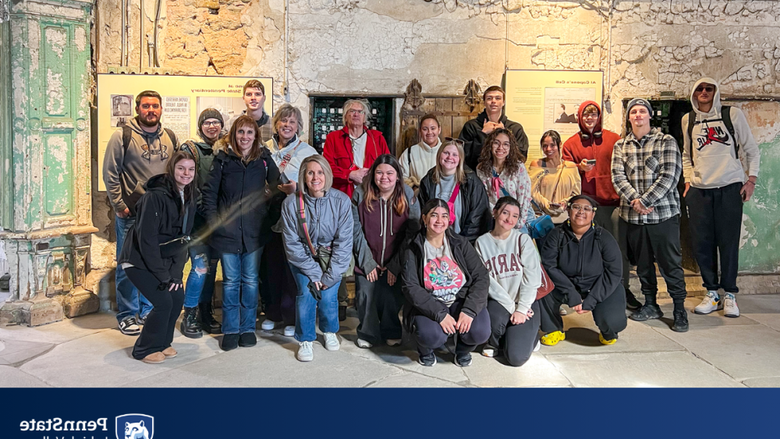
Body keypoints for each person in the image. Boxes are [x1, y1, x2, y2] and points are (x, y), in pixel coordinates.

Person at [682, 77, 761, 318]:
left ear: (715, 92)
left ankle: (730, 294)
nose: (704, 92)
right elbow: (686, 154)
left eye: (709, 88)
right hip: (700, 190)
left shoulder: (732, 115)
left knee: (728, 243)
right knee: (702, 244)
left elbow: (751, 149)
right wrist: (688, 181)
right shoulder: (688, 120)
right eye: (699, 89)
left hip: (729, 187)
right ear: (693, 94)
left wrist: (751, 180)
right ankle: (711, 292)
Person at [201, 115, 280, 351]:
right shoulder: (223, 159)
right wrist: (215, 223)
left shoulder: (264, 159)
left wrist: (269, 219)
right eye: (240, 132)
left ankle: (247, 328)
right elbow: (209, 194)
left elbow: (278, 188)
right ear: (233, 134)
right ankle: (231, 329)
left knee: (250, 282)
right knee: (231, 282)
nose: (244, 137)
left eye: (249, 133)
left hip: (254, 233)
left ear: (256, 136)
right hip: (228, 234)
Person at [103, 90, 178, 336]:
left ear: (161, 109)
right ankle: (126, 314)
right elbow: (110, 172)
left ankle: (148, 308)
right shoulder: (122, 136)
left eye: (155, 106)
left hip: (159, 216)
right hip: (131, 212)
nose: (151, 110)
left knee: (154, 263)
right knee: (128, 264)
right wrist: (118, 205)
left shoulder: (169, 137)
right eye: (146, 106)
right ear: (137, 109)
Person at [612, 98, 688, 332]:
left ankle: (678, 309)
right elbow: (617, 177)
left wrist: (644, 201)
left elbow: (670, 175)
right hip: (633, 217)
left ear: (649, 115)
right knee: (643, 266)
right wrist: (636, 201)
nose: (638, 115)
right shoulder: (621, 146)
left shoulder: (666, 141)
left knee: (670, 264)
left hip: (662, 216)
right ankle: (651, 304)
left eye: (642, 111)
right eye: (633, 111)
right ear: (629, 117)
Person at [118, 151, 196, 363]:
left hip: (164, 260)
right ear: (172, 169)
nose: (186, 173)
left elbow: (183, 240)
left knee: (177, 296)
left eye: (191, 169)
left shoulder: (188, 197)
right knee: (163, 302)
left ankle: (162, 343)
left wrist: (176, 275)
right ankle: (143, 349)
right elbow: (147, 241)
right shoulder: (154, 197)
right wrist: (163, 276)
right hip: (138, 260)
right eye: (181, 168)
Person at [563, 101, 641, 310]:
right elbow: (567, 176)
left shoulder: (614, 140)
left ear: (599, 117)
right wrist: (578, 168)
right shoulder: (570, 144)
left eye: (594, 114)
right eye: (586, 115)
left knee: (617, 250)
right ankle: (588, 291)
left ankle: (622, 289)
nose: (590, 118)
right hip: (585, 206)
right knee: (586, 251)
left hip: (613, 204)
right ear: (580, 117)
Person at [401, 198, 491, 367]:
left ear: (449, 219)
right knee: (431, 335)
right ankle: (425, 350)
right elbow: (410, 286)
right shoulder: (412, 247)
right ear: (424, 218)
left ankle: (462, 351)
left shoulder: (460, 243)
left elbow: (481, 276)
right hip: (431, 301)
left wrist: (470, 310)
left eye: (444, 216)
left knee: (480, 332)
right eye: (434, 215)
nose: (439, 221)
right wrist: (439, 314)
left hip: (460, 298)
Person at [281, 155, 353, 362]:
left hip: (332, 257)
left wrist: (330, 275)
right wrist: (313, 273)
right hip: (303, 256)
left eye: (320, 172)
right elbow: (292, 243)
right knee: (306, 293)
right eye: (310, 172)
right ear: (303, 175)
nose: (315, 177)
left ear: (327, 175)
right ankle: (305, 338)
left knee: (329, 295)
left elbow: (344, 241)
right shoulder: (291, 203)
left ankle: (329, 330)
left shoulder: (341, 201)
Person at [538, 195, 628, 346]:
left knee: (613, 321)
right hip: (565, 284)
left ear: (593, 214)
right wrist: (570, 292)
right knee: (541, 287)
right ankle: (554, 329)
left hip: (597, 285)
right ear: (568, 209)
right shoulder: (556, 235)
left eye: (587, 209)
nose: (581, 212)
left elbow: (614, 272)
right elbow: (549, 266)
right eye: (576, 207)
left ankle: (609, 331)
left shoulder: (604, 237)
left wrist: (592, 299)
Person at [260, 104, 318, 336]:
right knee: (270, 267)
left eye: (292, 122)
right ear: (276, 124)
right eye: (283, 121)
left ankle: (292, 317)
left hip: (296, 216)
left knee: (291, 267)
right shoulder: (264, 149)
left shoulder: (307, 152)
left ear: (298, 126)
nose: (287, 125)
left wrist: (298, 189)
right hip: (269, 215)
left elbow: (319, 183)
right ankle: (272, 313)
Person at [352, 154, 420, 348]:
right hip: (368, 256)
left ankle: (391, 329)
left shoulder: (407, 195)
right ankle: (368, 332)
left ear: (397, 175)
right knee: (366, 294)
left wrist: (395, 265)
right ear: (373, 174)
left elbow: (412, 233)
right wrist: (367, 262)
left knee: (391, 296)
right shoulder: (360, 194)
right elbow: (355, 230)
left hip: (396, 259)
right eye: (379, 172)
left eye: (390, 173)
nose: (384, 177)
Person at [475, 196, 542, 367]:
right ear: (495, 212)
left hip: (525, 303)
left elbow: (532, 278)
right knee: (494, 320)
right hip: (501, 301)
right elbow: (488, 281)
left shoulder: (522, 240)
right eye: (505, 213)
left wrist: (522, 309)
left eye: (514, 215)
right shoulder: (481, 242)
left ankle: (530, 337)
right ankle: (496, 343)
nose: (509, 219)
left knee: (516, 358)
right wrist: (514, 309)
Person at [176, 108, 224, 338]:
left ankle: (206, 312)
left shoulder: (224, 150)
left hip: (216, 222)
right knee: (200, 267)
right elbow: (186, 182)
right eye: (208, 122)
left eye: (216, 122)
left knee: (211, 269)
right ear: (200, 126)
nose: (212, 126)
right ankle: (190, 314)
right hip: (196, 220)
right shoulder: (190, 150)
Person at [418, 139, 489, 242]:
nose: (449, 157)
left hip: (464, 241)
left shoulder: (471, 182)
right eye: (446, 153)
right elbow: (423, 213)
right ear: (439, 155)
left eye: (454, 155)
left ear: (460, 159)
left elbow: (477, 217)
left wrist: (462, 243)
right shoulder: (428, 181)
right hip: (434, 240)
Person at [323, 99, 390, 198]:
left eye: (360, 112)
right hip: (343, 195)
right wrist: (349, 174)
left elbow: (388, 165)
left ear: (365, 118)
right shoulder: (333, 138)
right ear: (345, 116)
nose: (356, 114)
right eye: (352, 111)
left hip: (372, 193)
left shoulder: (377, 138)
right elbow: (326, 168)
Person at [528, 130, 581, 248]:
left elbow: (576, 193)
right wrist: (547, 205)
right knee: (546, 256)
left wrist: (565, 202)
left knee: (564, 255)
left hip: (565, 219)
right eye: (545, 146)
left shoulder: (570, 167)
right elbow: (532, 191)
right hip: (543, 220)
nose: (548, 149)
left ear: (559, 145)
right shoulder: (537, 165)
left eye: (552, 145)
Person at [458, 85, 529, 171]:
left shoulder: (515, 128)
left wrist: (506, 134)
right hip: (477, 176)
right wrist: (482, 134)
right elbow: (464, 157)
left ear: (503, 102)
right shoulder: (471, 126)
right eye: (489, 98)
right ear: (484, 102)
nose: (493, 101)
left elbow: (521, 157)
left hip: (507, 176)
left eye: (498, 98)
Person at [476, 128, 533, 231]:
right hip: (495, 219)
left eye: (506, 144)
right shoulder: (481, 169)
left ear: (511, 147)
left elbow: (524, 195)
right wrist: (499, 216)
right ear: (490, 145)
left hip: (518, 219)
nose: (500, 147)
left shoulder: (518, 167)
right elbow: (484, 197)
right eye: (496, 143)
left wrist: (517, 221)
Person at [399, 114, 442, 190]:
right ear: (420, 131)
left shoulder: (447, 152)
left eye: (433, 128)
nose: (429, 132)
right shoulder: (409, 152)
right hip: (416, 198)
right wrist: (414, 186)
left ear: (439, 130)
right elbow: (400, 177)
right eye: (425, 129)